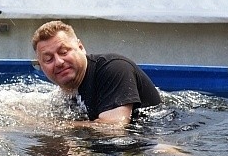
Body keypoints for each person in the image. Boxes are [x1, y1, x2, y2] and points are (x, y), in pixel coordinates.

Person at [32, 20, 161, 125]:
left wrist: (56, 126)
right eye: (48, 59)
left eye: (64, 52)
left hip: (158, 136)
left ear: (81, 47)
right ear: (41, 66)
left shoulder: (114, 68)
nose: (59, 62)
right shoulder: (65, 92)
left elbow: (115, 128)